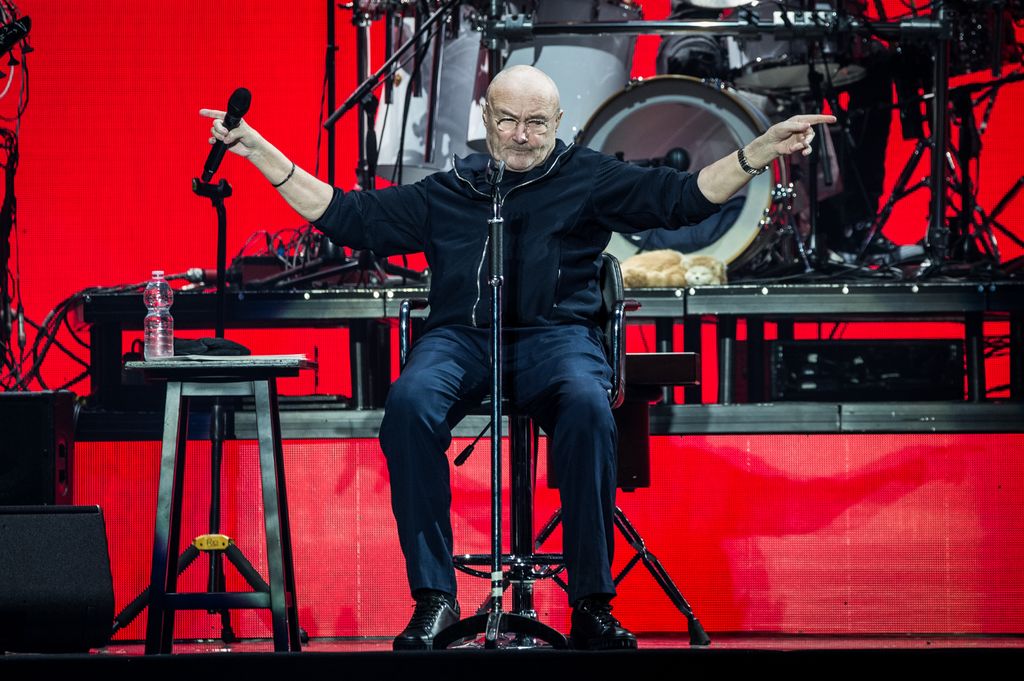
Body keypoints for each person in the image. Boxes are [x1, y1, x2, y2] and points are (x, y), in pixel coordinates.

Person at [200, 64, 833, 650]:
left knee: (588, 406)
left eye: (537, 123)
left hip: (557, 337)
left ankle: (591, 602)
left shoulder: (588, 177)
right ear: (485, 118)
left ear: (558, 125)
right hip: (461, 338)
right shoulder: (451, 190)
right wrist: (256, 150)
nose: (522, 135)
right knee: (409, 405)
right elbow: (342, 213)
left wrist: (759, 151)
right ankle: (435, 597)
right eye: (508, 120)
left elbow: (685, 197)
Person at [657, 0, 901, 264]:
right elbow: (693, 13)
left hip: (800, 29)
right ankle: (743, 222)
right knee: (694, 64)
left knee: (878, 64)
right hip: (715, 29)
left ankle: (855, 225)